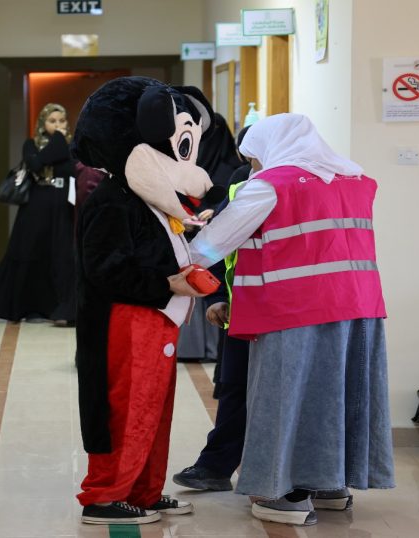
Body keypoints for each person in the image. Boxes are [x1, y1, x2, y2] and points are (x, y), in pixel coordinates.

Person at [189, 113, 394, 526]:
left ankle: (277, 493)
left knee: (280, 400)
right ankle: (330, 485)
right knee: (336, 394)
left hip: (291, 310)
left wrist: (171, 260)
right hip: (357, 309)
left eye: (254, 156)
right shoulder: (355, 180)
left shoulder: (270, 185)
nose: (253, 166)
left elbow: (208, 247)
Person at [72, 77, 224, 525]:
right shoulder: (111, 199)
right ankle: (105, 496)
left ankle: (144, 491)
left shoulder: (147, 198)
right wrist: (166, 283)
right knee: (126, 408)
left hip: (157, 320)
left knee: (154, 411)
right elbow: (104, 269)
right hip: (125, 320)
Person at [173, 126, 252, 491]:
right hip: (242, 308)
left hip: (289, 314)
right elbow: (219, 242)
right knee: (234, 387)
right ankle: (216, 467)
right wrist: (215, 295)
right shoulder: (242, 181)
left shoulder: (301, 185)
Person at [0, 103, 77, 325]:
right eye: (52, 121)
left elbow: (72, 169)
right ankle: (28, 307)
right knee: (29, 251)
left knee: (60, 254)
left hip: (62, 206)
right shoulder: (31, 144)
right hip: (36, 206)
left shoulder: (74, 145)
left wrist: (59, 145)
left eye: (62, 121)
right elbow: (36, 164)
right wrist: (58, 140)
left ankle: (57, 308)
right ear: (43, 123)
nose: (58, 125)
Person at [176, 113, 245, 363]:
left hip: (217, 243)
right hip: (195, 237)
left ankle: (207, 349)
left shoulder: (235, 173)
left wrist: (213, 212)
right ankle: (196, 348)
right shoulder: (189, 166)